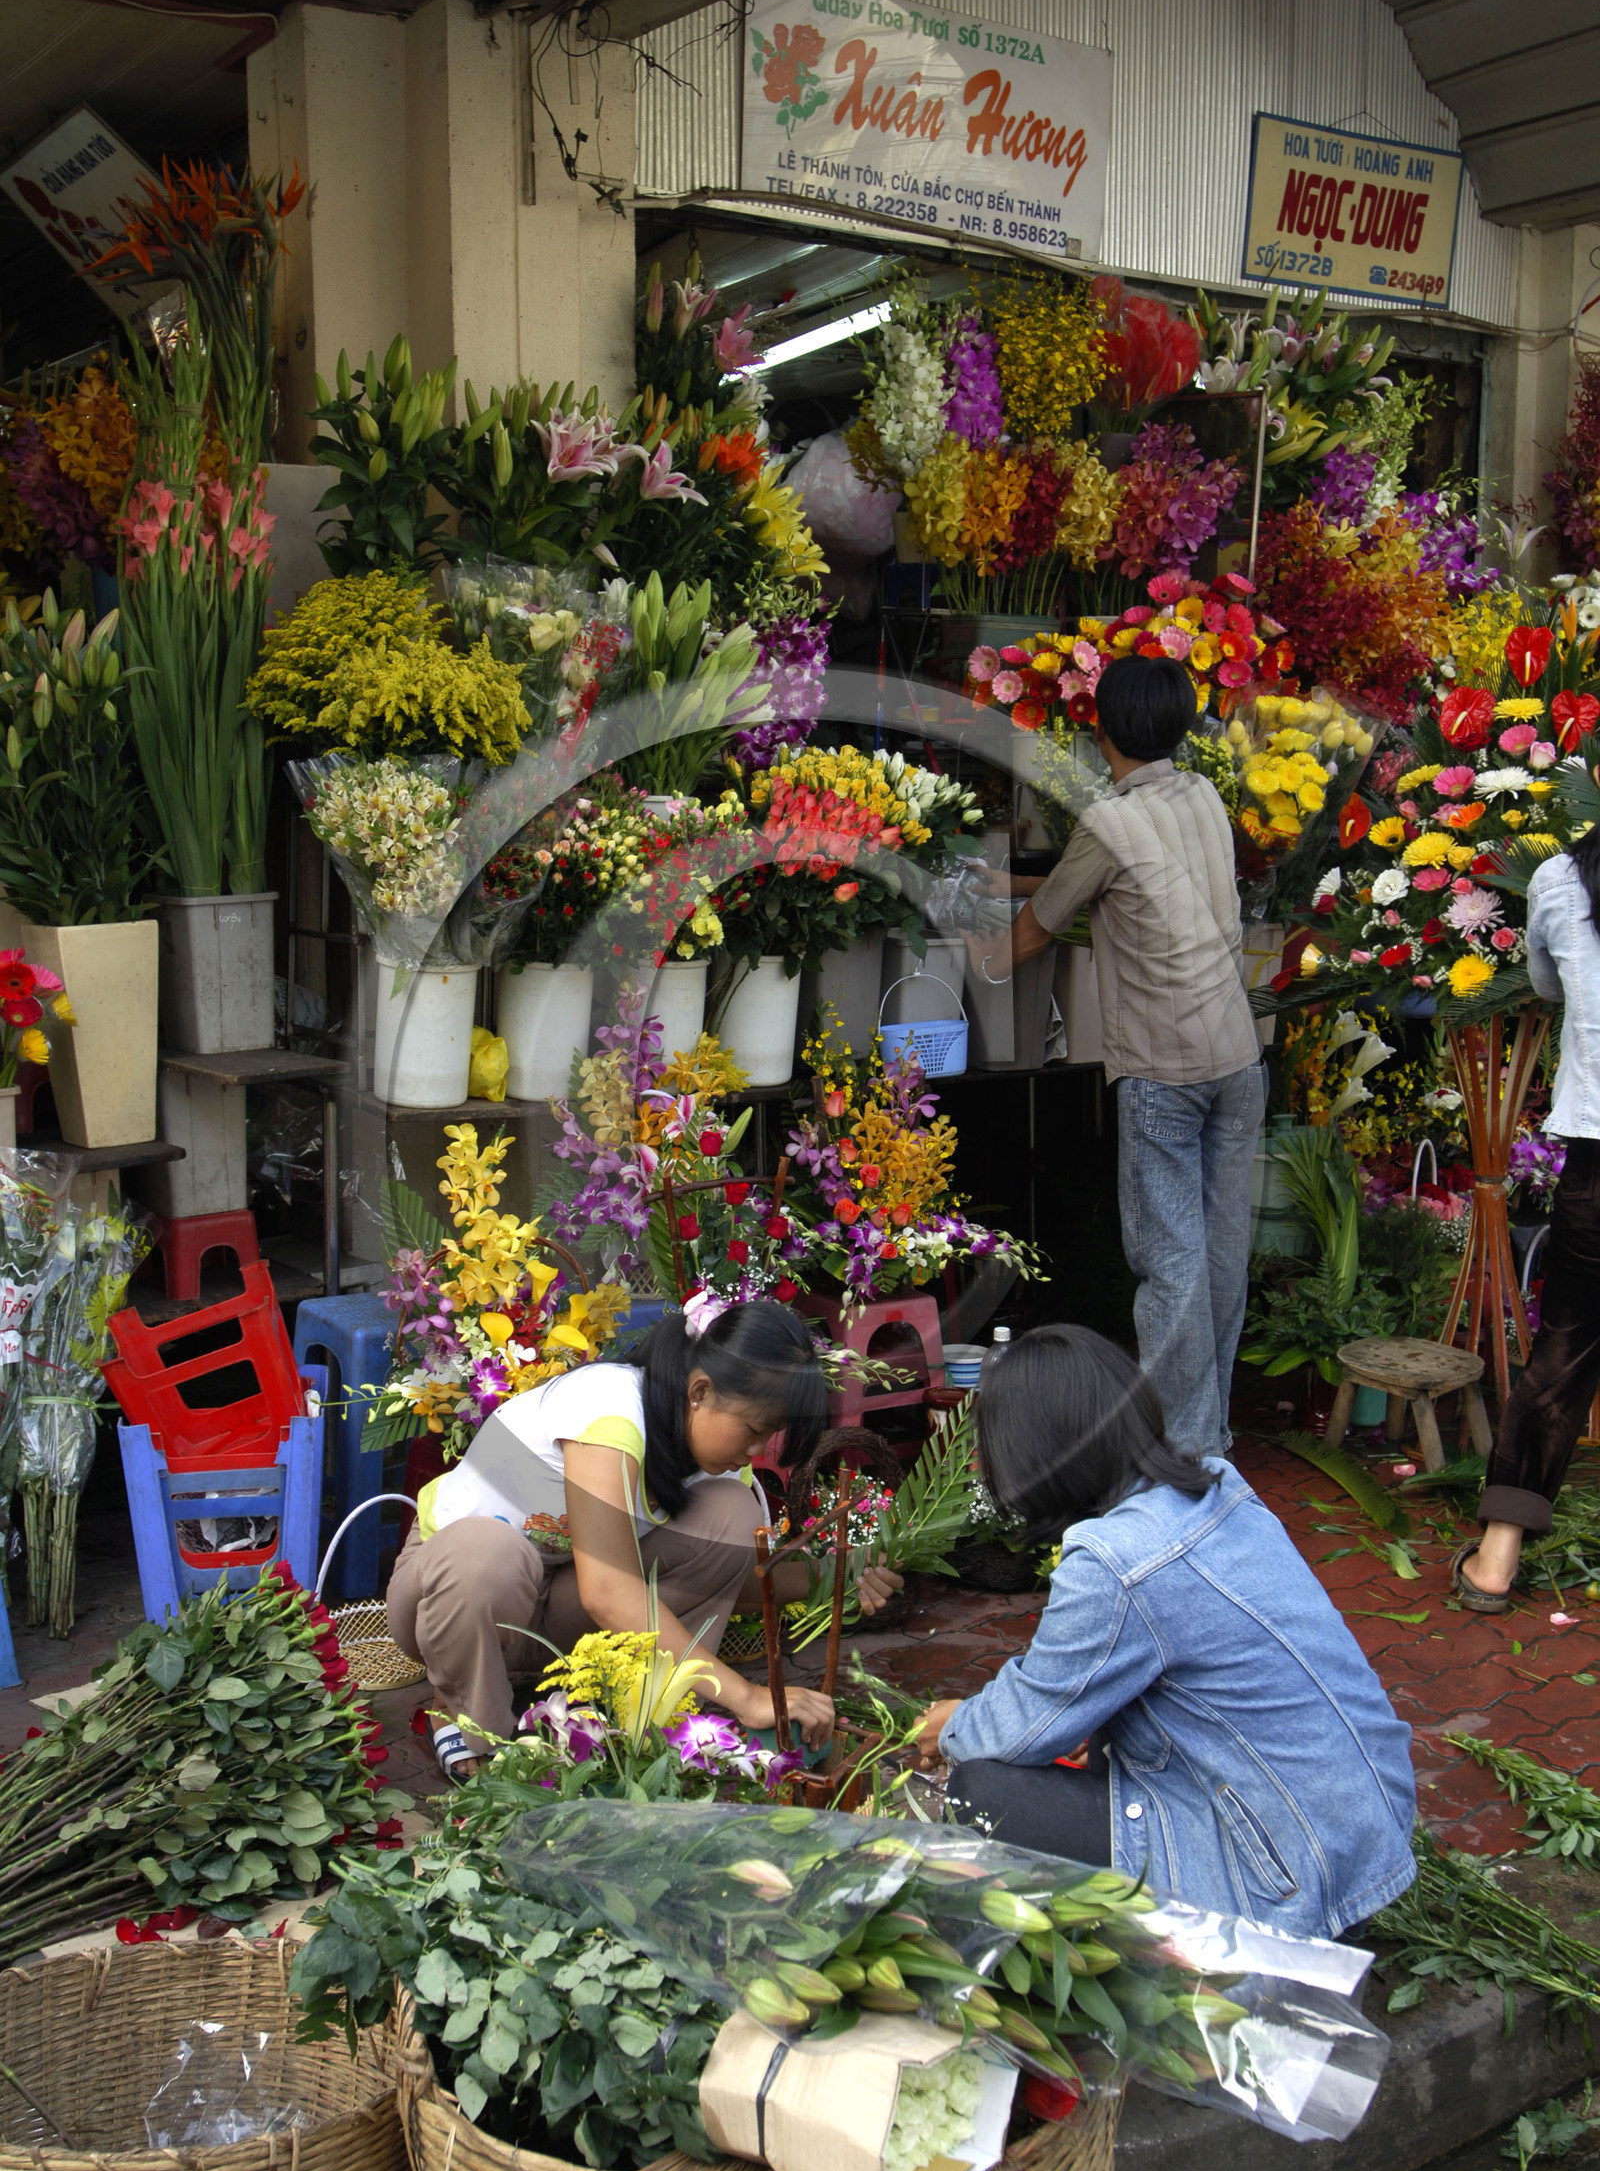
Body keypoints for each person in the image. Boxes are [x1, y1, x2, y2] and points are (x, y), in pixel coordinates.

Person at [913, 1325, 1416, 1938]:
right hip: (1367, 1831)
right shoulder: (1215, 1484)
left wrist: (952, 1726)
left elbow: (1023, 1726)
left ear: (1033, 1456)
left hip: (1288, 1880)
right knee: (1097, 1735)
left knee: (983, 1787)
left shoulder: (1114, 1560)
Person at [388, 1295, 898, 1778]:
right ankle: (475, 1726)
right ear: (699, 1392)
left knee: (732, 1513)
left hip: (550, 1610)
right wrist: (745, 1696)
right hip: (450, 1600)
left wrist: (839, 1574)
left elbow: (728, 1579)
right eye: (754, 1429)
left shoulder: (715, 1463)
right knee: (488, 1554)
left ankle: (646, 1708)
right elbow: (608, 1592)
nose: (757, 1450)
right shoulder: (609, 1407)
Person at [970, 653, 1265, 1459]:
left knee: (1170, 1265)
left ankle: (1188, 1451)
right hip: (1238, 1060)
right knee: (1218, 1255)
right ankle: (1215, 1431)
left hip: (1164, 1073)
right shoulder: (1204, 795)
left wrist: (979, 955)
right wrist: (1002, 886)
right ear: (1178, 723)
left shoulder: (1107, 822)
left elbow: (1040, 926)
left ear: (1101, 731)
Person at [1454, 818, 1600, 1611]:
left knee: (1565, 1350)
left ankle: (1497, 1559)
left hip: (1599, 1161)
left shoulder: (1561, 883)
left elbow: (1547, 988)